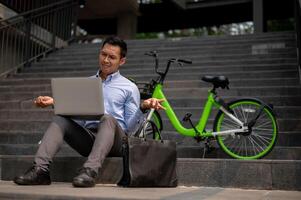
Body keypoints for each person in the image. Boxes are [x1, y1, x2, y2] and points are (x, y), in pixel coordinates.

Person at [13, 36, 165, 187]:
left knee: (107, 119)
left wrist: (142, 107)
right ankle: (40, 171)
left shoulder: (129, 87)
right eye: (103, 54)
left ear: (122, 61)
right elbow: (79, 118)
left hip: (118, 141)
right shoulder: (88, 83)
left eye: (112, 57)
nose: (106, 60)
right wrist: (55, 103)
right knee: (60, 119)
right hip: (90, 139)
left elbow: (131, 129)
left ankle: (89, 172)